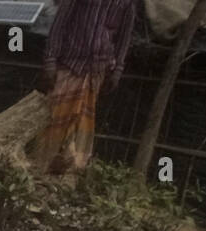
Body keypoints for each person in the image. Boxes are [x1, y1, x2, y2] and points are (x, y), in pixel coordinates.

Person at [34, 0, 137, 175]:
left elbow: (123, 38)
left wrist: (118, 69)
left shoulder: (126, 3)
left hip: (96, 70)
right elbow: (59, 25)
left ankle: (69, 175)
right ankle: (39, 168)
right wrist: (50, 61)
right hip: (69, 63)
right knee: (54, 119)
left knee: (81, 124)